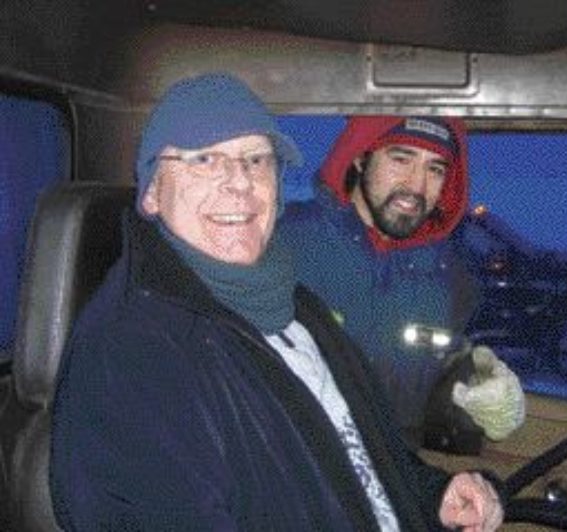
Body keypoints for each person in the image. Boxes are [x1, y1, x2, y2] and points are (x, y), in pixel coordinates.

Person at [50, 73, 504, 531]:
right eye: (205, 158)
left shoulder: (294, 304)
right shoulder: (132, 353)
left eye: (256, 160)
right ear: (151, 191)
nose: (240, 183)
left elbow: (355, 450)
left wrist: (432, 495)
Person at [278, 116, 525, 452]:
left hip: (391, 476)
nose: (417, 186)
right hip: (288, 460)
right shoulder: (282, 241)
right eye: (401, 159)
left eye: (435, 169)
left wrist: (480, 400)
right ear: (361, 158)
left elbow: (430, 410)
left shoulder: (452, 279)